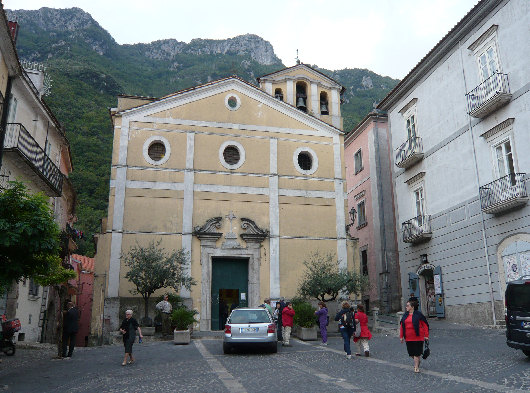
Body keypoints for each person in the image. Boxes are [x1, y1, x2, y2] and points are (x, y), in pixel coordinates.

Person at [400, 299, 429, 373]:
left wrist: (426, 335)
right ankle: (417, 361)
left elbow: (425, 325)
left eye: (407, 305)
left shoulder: (418, 315)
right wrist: (401, 336)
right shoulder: (405, 315)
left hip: (418, 336)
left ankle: (416, 366)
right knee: (411, 353)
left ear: (412, 307)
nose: (406, 307)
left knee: (417, 353)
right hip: (408, 337)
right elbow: (402, 326)